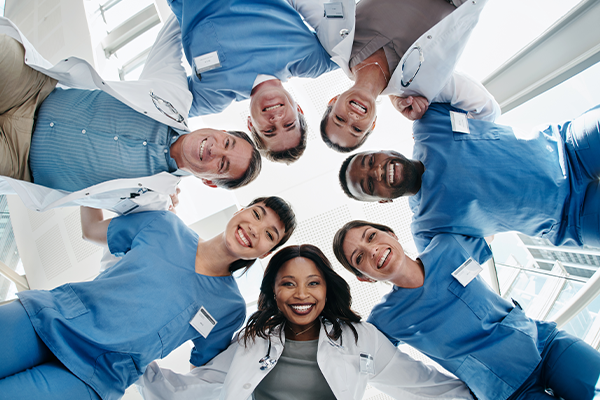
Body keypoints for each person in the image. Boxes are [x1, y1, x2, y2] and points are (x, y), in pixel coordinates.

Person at [0, 196, 296, 400]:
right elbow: (92, 230)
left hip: (95, 376)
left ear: (265, 253)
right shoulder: (165, 226)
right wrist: (90, 185)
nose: (254, 230)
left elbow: (203, 370)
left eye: (269, 234)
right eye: (256, 214)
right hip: (48, 318)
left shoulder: (229, 309)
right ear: (239, 211)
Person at [138, 244, 473, 400]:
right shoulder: (254, 340)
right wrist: (133, 364)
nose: (301, 295)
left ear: (327, 288)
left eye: (313, 283)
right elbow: (195, 389)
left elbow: (424, 385)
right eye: (288, 283)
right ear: (274, 292)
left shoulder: (360, 339)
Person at [0, 15, 261, 215]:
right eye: (227, 143)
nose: (216, 150)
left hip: (15, 158)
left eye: (223, 165)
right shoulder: (173, 96)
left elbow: (123, 244)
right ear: (221, 132)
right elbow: (173, 31)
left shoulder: (152, 203)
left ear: (210, 182)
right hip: (32, 90)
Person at [333, 220, 600, 400]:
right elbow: (367, 362)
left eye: (371, 236)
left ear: (391, 234)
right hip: (508, 391)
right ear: (364, 278)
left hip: (546, 344)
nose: (372, 249)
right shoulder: (384, 320)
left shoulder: (447, 246)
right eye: (359, 257)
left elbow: (489, 224)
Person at [338, 71, 599, 250]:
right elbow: (442, 277)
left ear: (386, 151)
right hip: (572, 216)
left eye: (370, 161)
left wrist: (398, 97)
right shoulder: (427, 227)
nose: (377, 172)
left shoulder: (428, 125)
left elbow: (438, 78)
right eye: (369, 185)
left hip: (571, 146)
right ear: (383, 200)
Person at [167, 0, 345, 163]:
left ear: (251, 124)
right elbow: (360, 46)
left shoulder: (212, 97)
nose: (276, 119)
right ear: (298, 109)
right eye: (288, 124)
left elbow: (156, 111)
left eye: (269, 131)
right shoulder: (312, 61)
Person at [313, 0, 489, 152]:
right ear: (372, 124)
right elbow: (486, 109)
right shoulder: (419, 89)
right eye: (357, 129)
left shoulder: (334, 41)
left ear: (333, 101)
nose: (352, 118)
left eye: (339, 119)